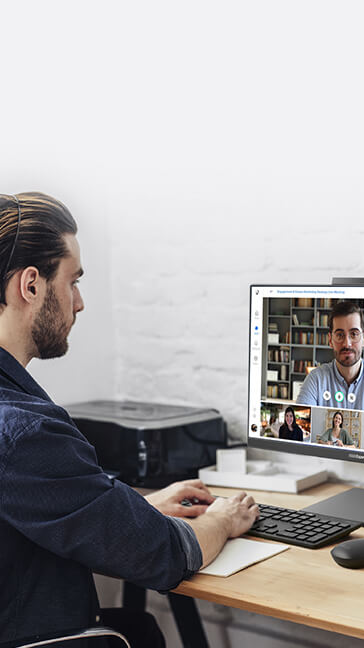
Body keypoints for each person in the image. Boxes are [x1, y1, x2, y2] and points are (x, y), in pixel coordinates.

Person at [0, 193, 259, 647]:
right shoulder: (25, 431)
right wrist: (221, 518)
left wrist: (138, 509)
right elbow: (166, 554)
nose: (78, 303)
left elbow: (37, 512)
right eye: (73, 281)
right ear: (31, 285)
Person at [296, 301, 364, 414]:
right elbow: (301, 421)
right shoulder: (315, 379)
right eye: (340, 335)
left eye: (354, 334)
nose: (347, 344)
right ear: (330, 340)